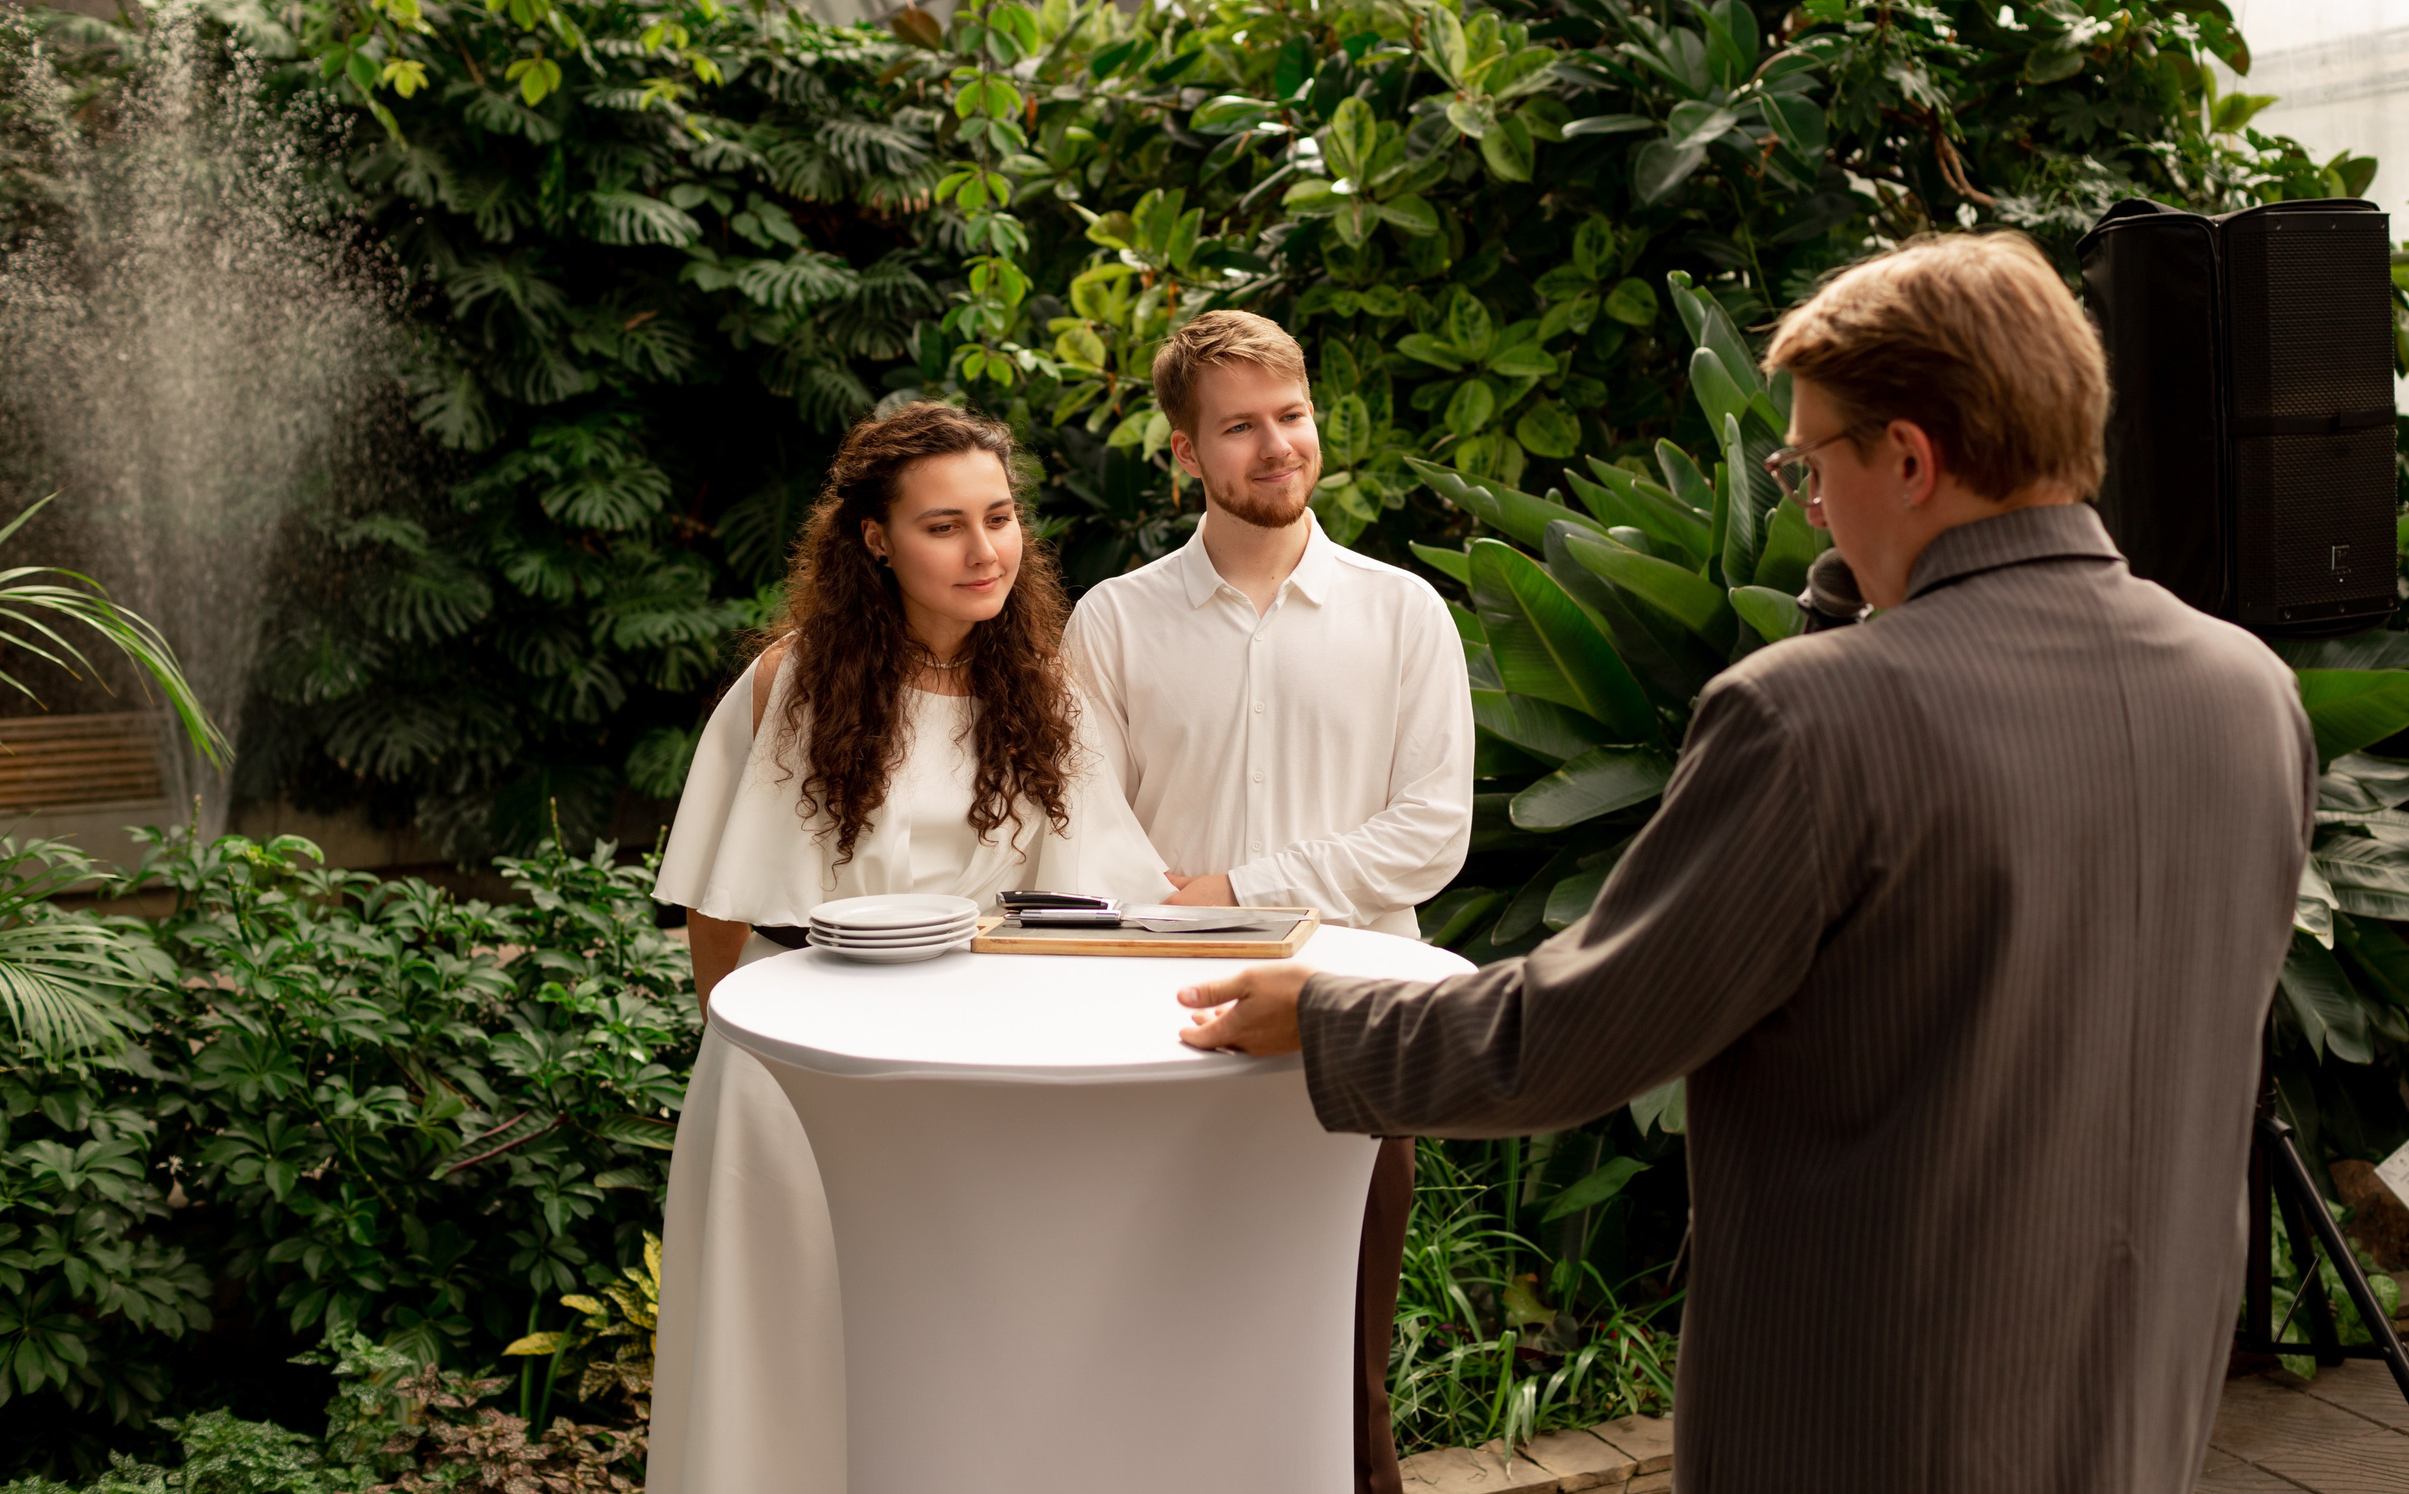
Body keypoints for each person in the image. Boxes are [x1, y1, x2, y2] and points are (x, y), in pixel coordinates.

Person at [1177, 234, 2317, 1494]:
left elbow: (1579, 1032)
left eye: (1811, 460)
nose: (1808, 504)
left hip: (1869, 1416)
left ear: (1909, 457)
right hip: (2134, 1397)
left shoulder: (1814, 717)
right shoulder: (2247, 691)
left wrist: (1327, 1019)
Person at [646, 401, 1171, 1494]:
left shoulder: (1044, 695)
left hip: (970, 1064)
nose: (985, 549)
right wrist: (748, 1055)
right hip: (790, 1065)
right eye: (945, 525)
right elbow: (718, 906)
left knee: (958, 1355)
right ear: (875, 539)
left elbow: (1094, 904)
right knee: (780, 1345)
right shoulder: (787, 684)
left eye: (1000, 515)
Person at [1066, 310, 1474, 1494]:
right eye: (1238, 427)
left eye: (1289, 415)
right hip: (1163, 1029)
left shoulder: (1405, 613)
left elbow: (1429, 835)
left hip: (1353, 1032)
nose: (1275, 446)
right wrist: (1183, 912)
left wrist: (1243, 888)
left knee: (1347, 1393)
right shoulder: (1114, 621)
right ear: (1185, 451)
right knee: (1162, 1361)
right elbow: (1086, 833)